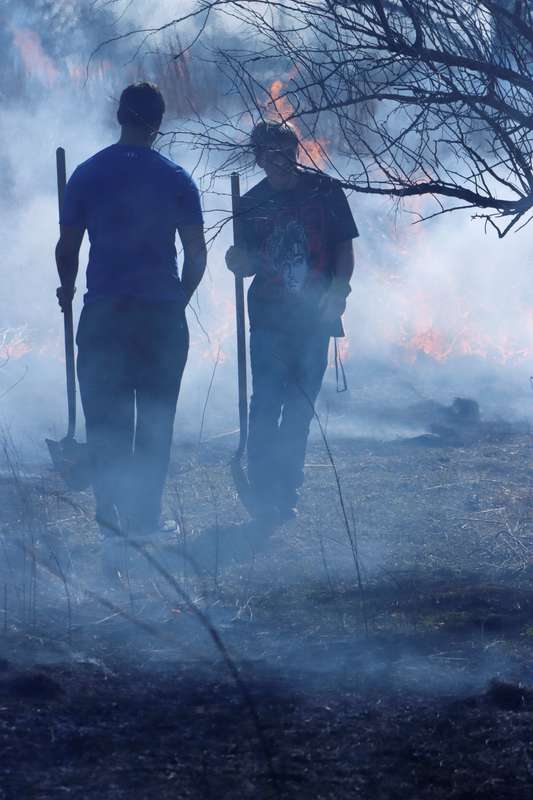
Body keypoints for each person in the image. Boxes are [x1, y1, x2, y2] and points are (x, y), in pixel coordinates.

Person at [55, 82, 207, 553]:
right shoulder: (176, 178)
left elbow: (67, 247)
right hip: (159, 317)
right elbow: (197, 255)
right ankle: (144, 520)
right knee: (155, 422)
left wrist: (67, 286)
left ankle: (111, 523)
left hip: (104, 315)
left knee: (105, 422)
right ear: (158, 124)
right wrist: (176, 300)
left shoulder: (86, 174)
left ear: (120, 117)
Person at [226, 121, 358, 520]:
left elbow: (343, 252)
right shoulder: (250, 202)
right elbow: (247, 265)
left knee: (300, 408)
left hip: (313, 321)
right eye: (272, 157)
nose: (282, 163)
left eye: (288, 154)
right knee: (266, 403)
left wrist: (337, 294)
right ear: (260, 159)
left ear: (297, 153)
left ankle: (287, 488)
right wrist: (237, 262)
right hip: (268, 319)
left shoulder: (326, 192)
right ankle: (264, 487)